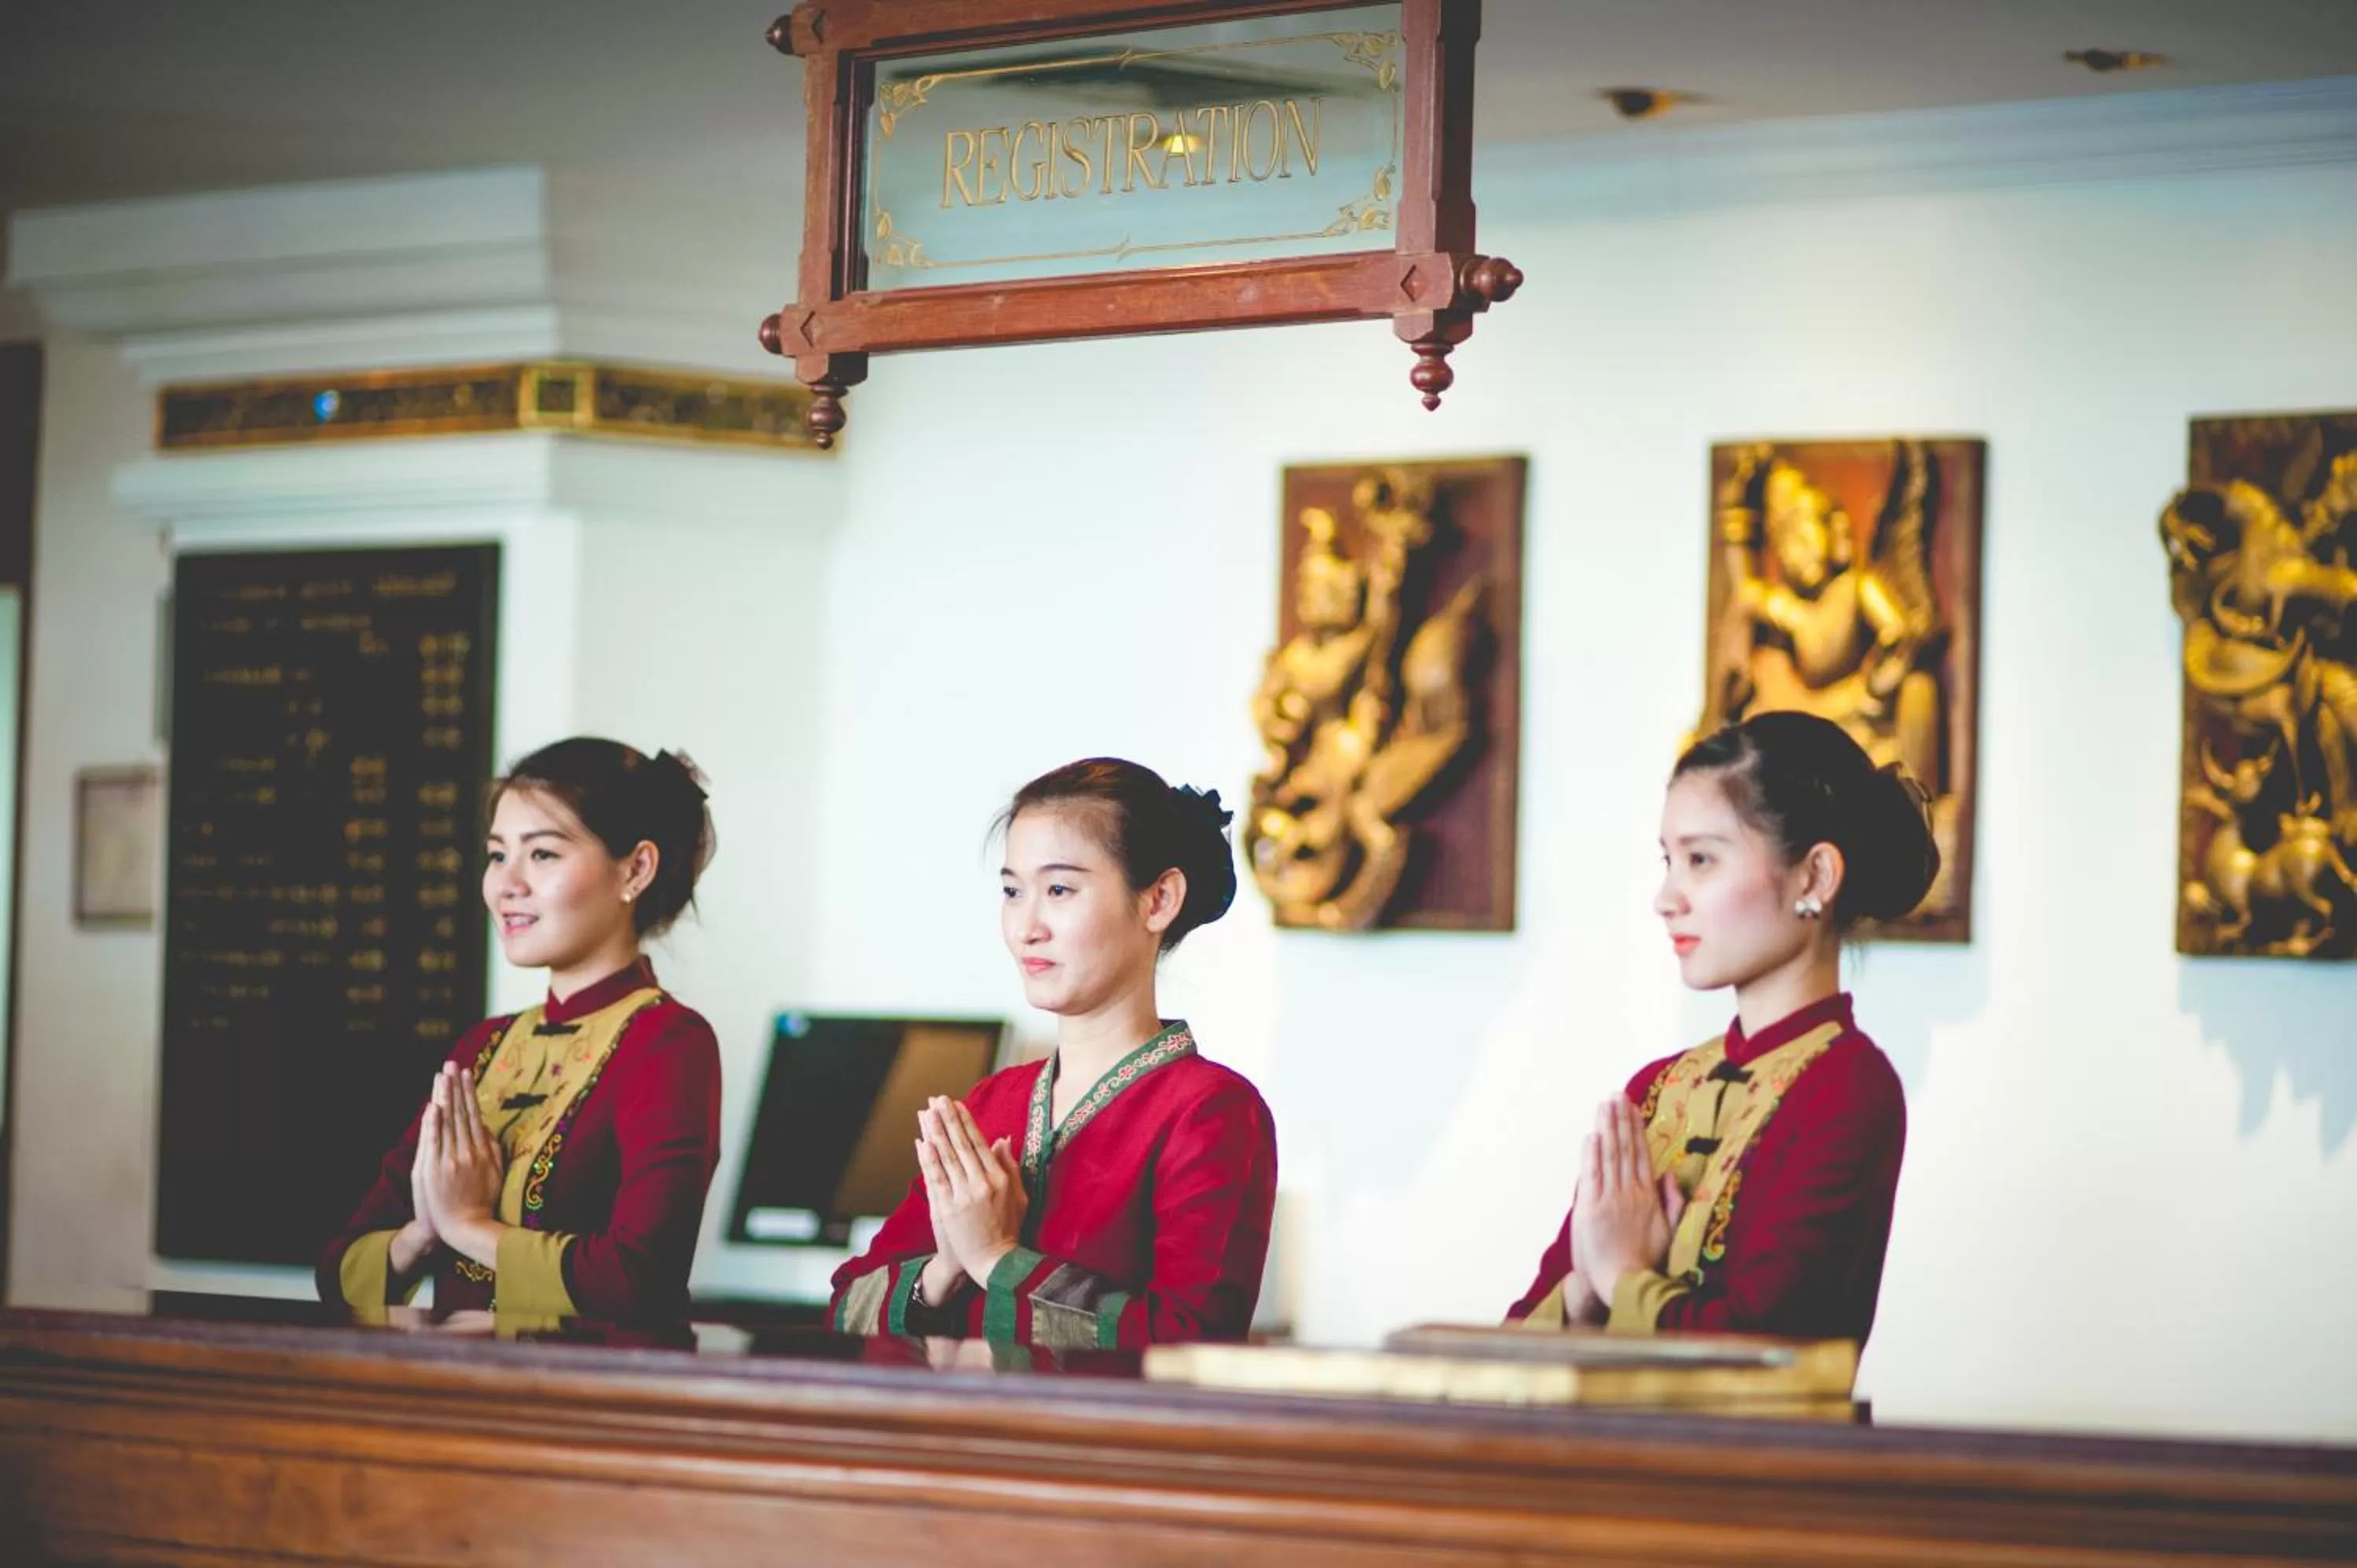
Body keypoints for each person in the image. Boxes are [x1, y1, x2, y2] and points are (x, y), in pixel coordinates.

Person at [1508, 710, 1937, 1343]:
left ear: (1814, 877)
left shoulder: (1848, 1088)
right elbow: (1514, 1338)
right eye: (1668, 861)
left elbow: (1766, 1348)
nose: (1666, 898)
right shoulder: (1654, 1090)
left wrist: (1623, 1277)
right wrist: (1584, 1288)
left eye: (1701, 860)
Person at [830, 758, 1277, 1348]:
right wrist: (944, 1269)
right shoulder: (993, 1101)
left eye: (1060, 890)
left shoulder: (1213, 1111)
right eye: (1013, 891)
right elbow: (844, 1308)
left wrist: (996, 1258)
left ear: (1159, 899)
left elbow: (1187, 1345)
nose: (1026, 927)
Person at [317, 738, 720, 1321]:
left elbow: (641, 1281)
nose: (507, 884)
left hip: (584, 1401)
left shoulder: (669, 1042)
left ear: (635, 869)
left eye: (543, 855)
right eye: (497, 855)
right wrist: (423, 1235)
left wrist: (469, 1227)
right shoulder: (482, 1048)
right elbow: (337, 1271)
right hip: (460, 1394)